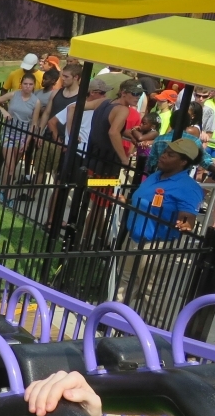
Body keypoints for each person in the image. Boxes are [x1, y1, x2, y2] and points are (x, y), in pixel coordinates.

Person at [118, 138, 204, 304]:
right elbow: (144, 201)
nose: (163, 156)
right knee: (125, 282)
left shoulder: (188, 187)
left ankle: (147, 329)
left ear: (183, 162)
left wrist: (185, 223)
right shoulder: (155, 175)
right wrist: (126, 202)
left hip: (156, 245)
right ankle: (113, 321)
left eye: (170, 155)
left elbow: (188, 217)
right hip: (133, 238)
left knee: (151, 292)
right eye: (165, 152)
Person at [0, 73, 45, 201]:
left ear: (34, 86)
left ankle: (3, 191)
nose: (27, 87)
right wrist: (3, 110)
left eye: (30, 84)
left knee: (11, 167)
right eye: (25, 84)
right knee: (10, 166)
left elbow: (33, 125)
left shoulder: (36, 102)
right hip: (9, 133)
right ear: (21, 84)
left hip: (23, 136)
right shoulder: (13, 94)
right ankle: (5, 194)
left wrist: (26, 143)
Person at [83, 80, 142, 177]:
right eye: (135, 93)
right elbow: (113, 132)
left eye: (140, 93)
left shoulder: (103, 102)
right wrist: (124, 159)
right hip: (107, 163)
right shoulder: (123, 109)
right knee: (104, 191)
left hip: (91, 157)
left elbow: (72, 107)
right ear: (123, 93)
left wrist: (131, 135)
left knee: (88, 189)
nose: (138, 97)